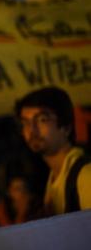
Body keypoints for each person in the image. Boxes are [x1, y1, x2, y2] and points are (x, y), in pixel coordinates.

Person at [15, 86, 91, 215]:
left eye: (42, 120)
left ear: (66, 127)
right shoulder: (54, 176)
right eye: (26, 123)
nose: (32, 130)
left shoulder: (85, 175)